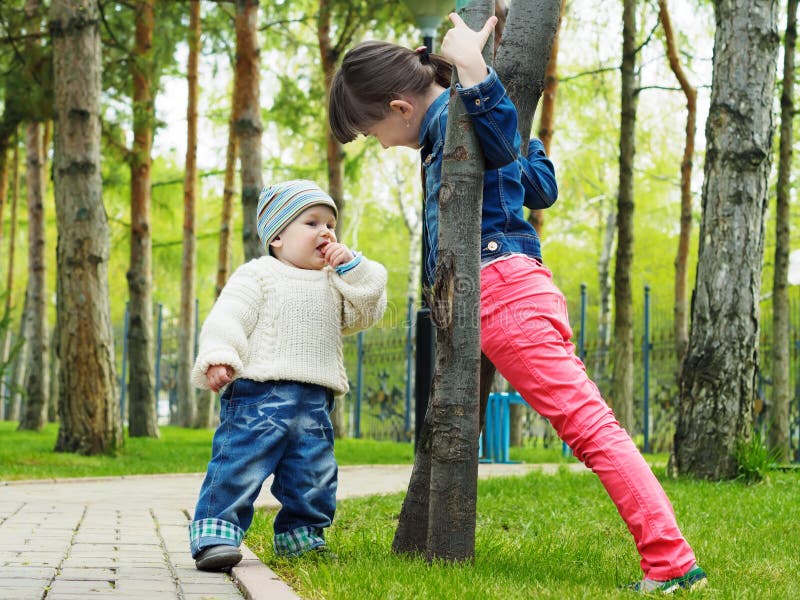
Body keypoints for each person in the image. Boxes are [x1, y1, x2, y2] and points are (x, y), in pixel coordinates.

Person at [328, 13, 707, 594]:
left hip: (502, 291)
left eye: (371, 130)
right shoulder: (463, 126)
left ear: (400, 108)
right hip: (494, 292)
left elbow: (508, 148)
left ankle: (672, 562)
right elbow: (537, 186)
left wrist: (477, 70)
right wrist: (516, 123)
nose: (378, 144)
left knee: (590, 428)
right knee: (464, 427)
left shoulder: (458, 115)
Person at [188, 179, 388, 571]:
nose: (326, 231)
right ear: (277, 237)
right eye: (312, 223)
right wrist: (219, 356)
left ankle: (302, 535)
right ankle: (215, 533)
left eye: (331, 224)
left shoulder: (336, 283)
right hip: (258, 395)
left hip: (315, 400)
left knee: (313, 474)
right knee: (238, 463)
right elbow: (228, 316)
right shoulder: (258, 275)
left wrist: (353, 267)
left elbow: (369, 308)